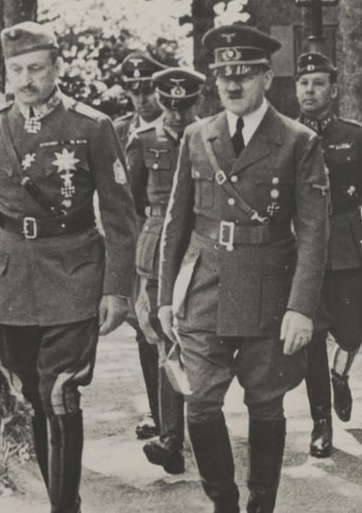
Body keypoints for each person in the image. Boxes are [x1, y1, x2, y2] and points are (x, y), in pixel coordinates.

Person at [0, 21, 136, 513]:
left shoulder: (91, 127)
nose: (26, 79)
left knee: (60, 390)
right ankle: (61, 498)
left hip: (73, 272)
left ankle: (63, 508)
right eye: (16, 70)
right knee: (31, 390)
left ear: (57, 67)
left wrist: (118, 288)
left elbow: (119, 217)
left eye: (35, 68)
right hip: (12, 278)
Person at [156, 24, 329, 512]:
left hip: (268, 293)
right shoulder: (197, 136)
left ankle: (261, 505)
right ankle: (224, 502)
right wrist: (165, 297)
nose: (233, 85)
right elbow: (176, 223)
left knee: (266, 403)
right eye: (223, 75)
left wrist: (300, 308)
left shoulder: (297, 141)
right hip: (206, 287)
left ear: (267, 77)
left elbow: (315, 233)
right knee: (201, 402)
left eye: (245, 74)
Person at [293, 52, 362, 457]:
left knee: (354, 328)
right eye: (304, 83)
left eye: (319, 83)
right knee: (313, 336)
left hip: (348, 244)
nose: (310, 90)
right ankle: (322, 423)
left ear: (333, 90)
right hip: (304, 249)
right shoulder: (283, 135)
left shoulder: (353, 136)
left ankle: (341, 375)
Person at [126, 67, 207, 474]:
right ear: (159, 102)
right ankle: (171, 438)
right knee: (164, 339)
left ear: (197, 103)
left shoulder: (211, 137)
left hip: (200, 245)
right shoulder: (142, 142)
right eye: (169, 106)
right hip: (158, 245)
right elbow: (130, 205)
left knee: (198, 338)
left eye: (185, 106)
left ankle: (194, 426)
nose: (176, 115)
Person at [114, 50, 169, 439]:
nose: (141, 98)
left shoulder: (179, 128)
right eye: (133, 90)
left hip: (168, 235)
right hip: (133, 240)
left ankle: (181, 413)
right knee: (144, 327)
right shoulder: (116, 131)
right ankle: (158, 412)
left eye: (147, 88)